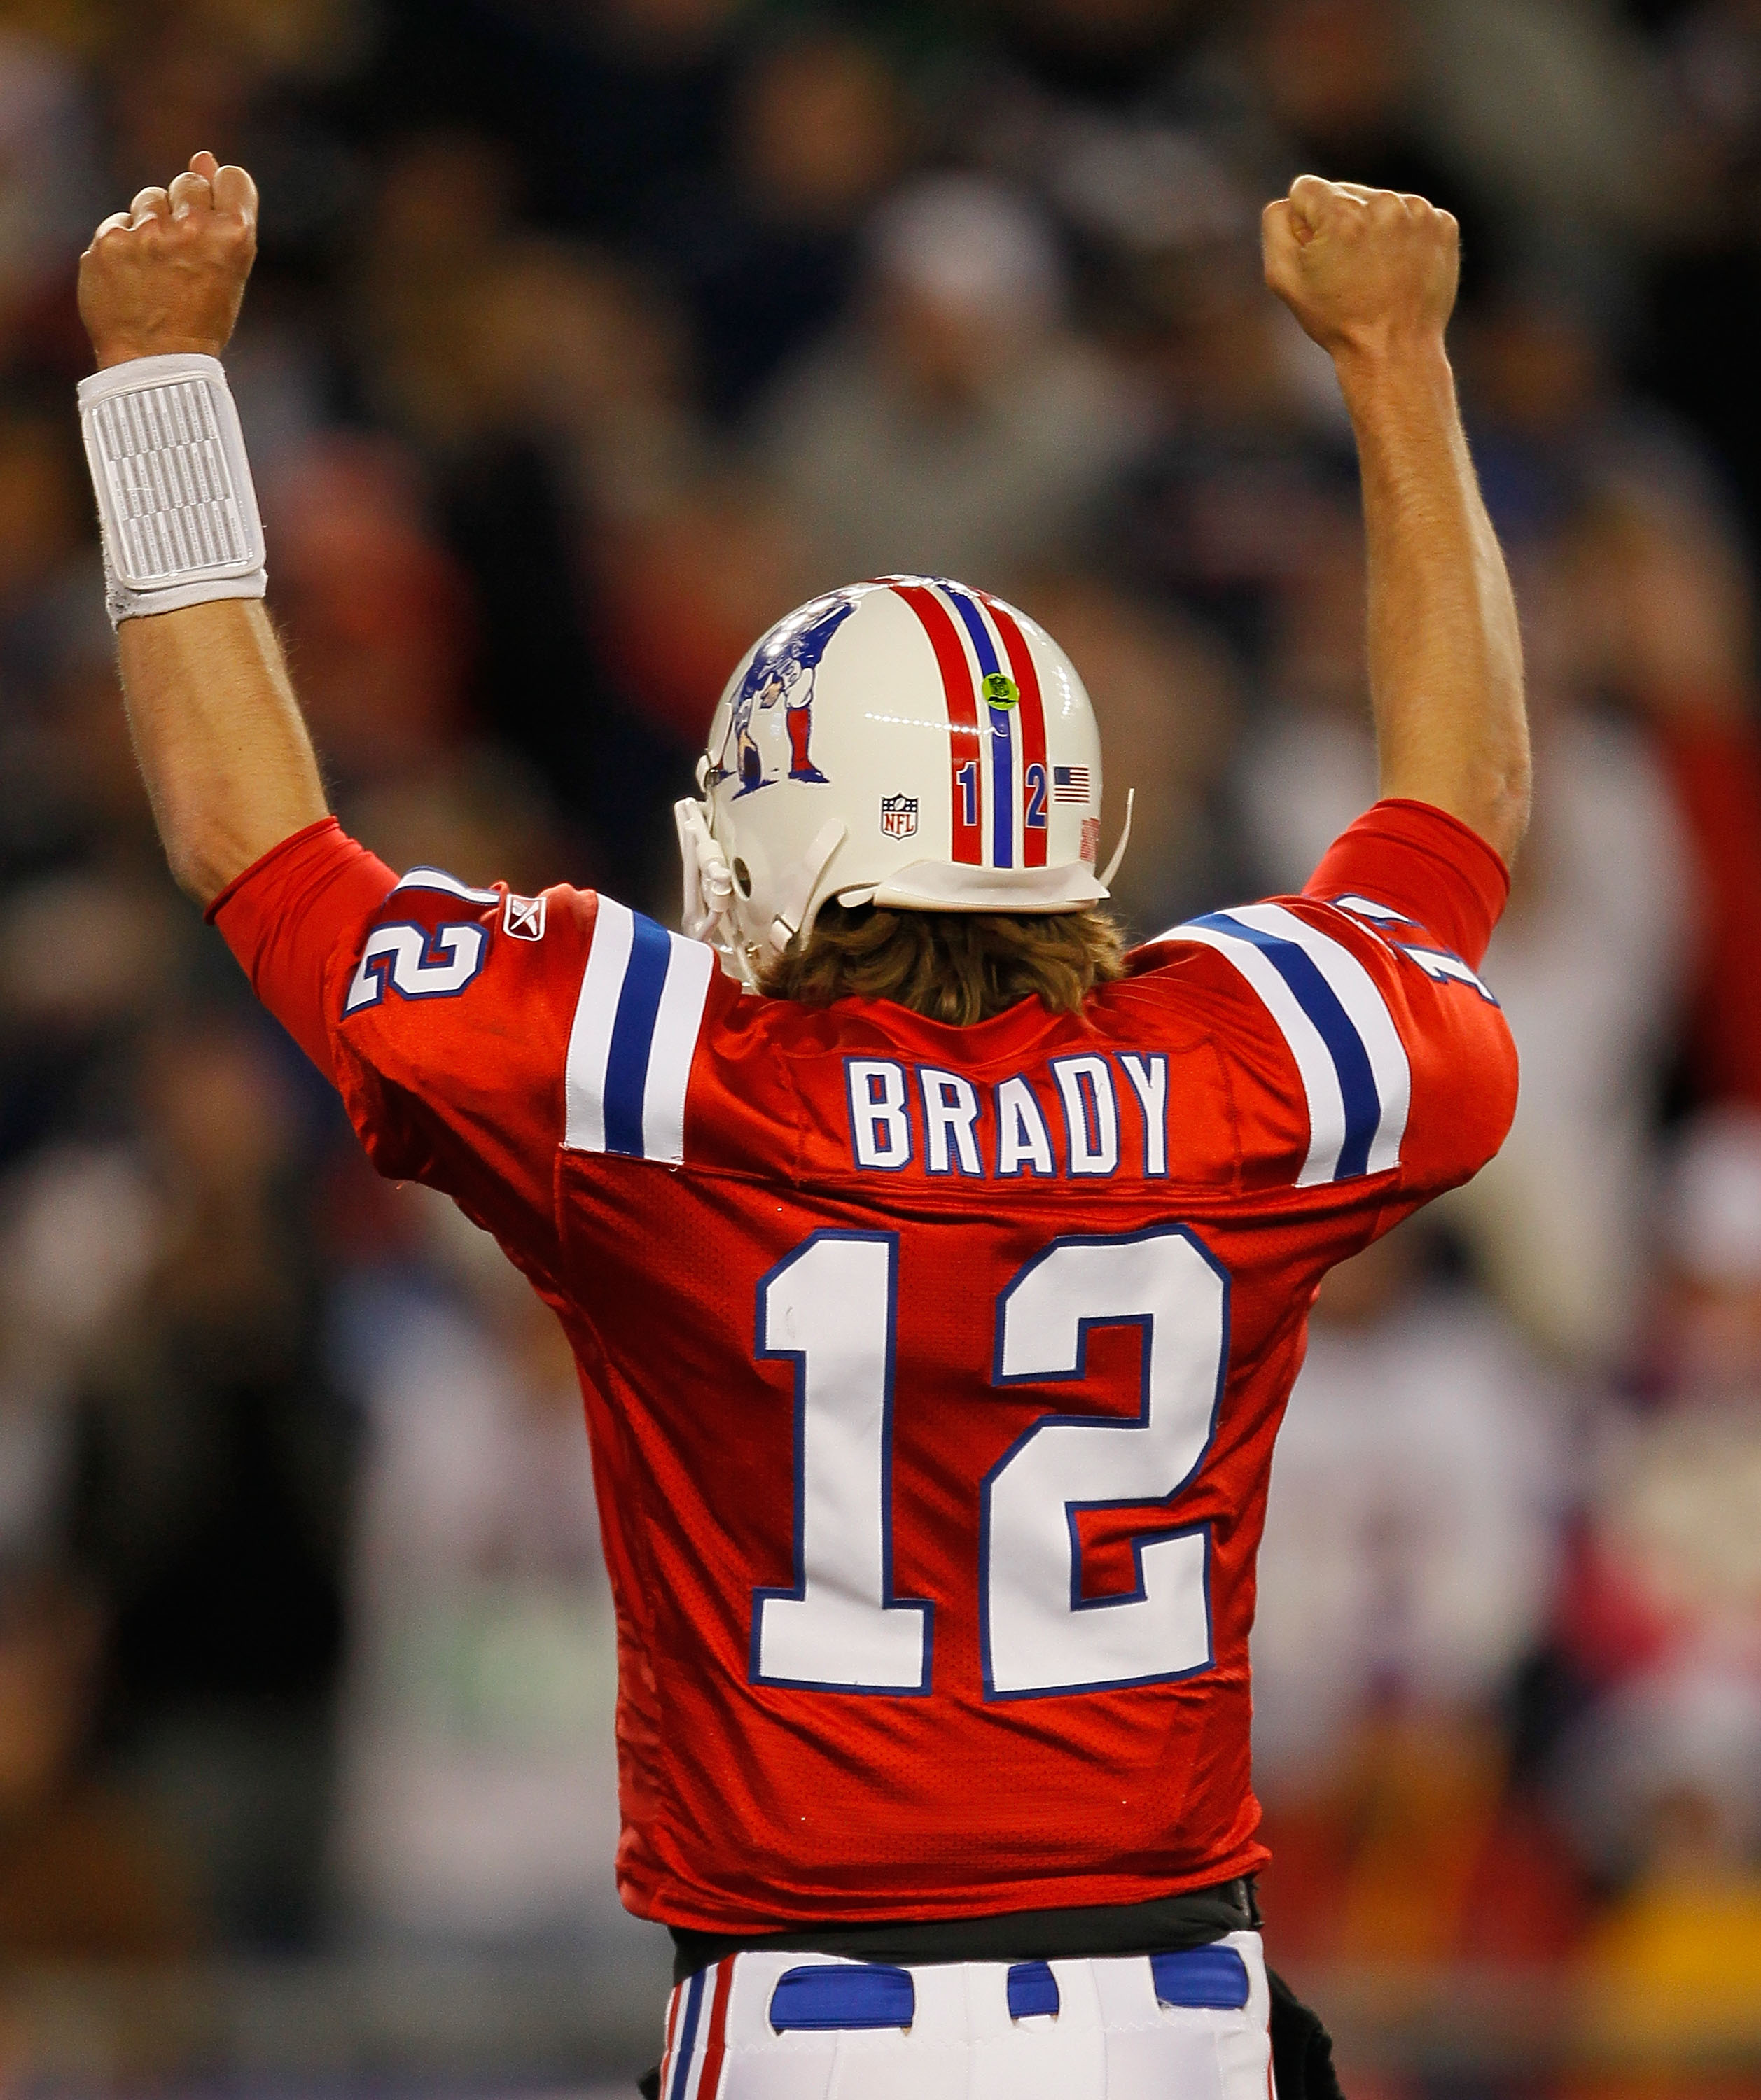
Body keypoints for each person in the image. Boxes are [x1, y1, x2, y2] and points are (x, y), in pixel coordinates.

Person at [73, 155, 1526, 2099]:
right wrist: (1395, 363)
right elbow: (1451, 821)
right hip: (1173, 2016)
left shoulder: (662, 1083)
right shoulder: (1236, 1069)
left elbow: (252, 844)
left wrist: (158, 379)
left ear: (775, 837)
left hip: (811, 2019)